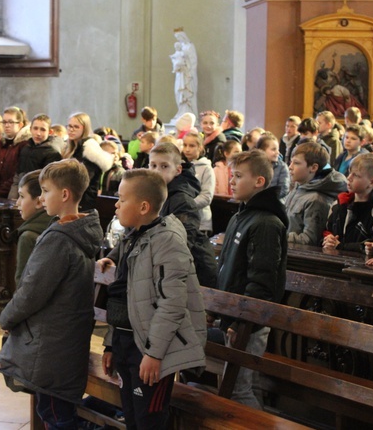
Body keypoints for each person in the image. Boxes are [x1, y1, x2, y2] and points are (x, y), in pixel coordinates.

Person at [0, 159, 102, 428]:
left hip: (52, 343)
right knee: (55, 410)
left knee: (55, 414)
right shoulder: (82, 229)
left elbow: (31, 292)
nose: (42, 197)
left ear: (64, 194)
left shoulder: (59, 239)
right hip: (65, 337)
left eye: (46, 191)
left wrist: (7, 318)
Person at [99, 169, 206, 427]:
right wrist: (111, 344)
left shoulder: (168, 241)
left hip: (152, 350)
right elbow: (122, 298)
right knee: (132, 417)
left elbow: (172, 303)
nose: (116, 204)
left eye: (122, 199)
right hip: (127, 342)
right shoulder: (132, 237)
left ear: (144, 206)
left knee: (150, 420)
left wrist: (154, 354)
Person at [214, 150, 288, 409]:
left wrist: (242, 320)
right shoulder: (240, 216)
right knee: (247, 385)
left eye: (237, 176)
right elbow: (227, 269)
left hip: (248, 321)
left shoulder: (266, 222)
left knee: (236, 390)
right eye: (231, 175)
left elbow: (262, 280)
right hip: (233, 314)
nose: (231, 181)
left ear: (259, 181)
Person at [151, 142, 219, 287]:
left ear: (178, 170)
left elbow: (182, 243)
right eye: (153, 165)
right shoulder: (154, 195)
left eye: (164, 166)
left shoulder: (182, 201)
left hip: (196, 272)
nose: (157, 171)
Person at [285, 142, 348, 246]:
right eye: (291, 162)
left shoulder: (316, 199)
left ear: (313, 168)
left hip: (299, 256)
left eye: (296, 163)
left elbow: (309, 239)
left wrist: (280, 235)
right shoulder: (298, 187)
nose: (290, 167)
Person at [322, 153, 373, 252]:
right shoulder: (339, 204)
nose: (349, 178)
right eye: (349, 172)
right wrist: (328, 239)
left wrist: (341, 246)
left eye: (356, 175)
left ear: (372, 182)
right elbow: (327, 230)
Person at [62, 112, 113, 211]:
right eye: (69, 126)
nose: (71, 130)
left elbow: (84, 179)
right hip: (71, 197)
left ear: (84, 128)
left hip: (84, 200)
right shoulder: (70, 148)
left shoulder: (89, 149)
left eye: (76, 127)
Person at [14, 170, 53, 288]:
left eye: (21, 196)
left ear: (38, 202)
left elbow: (22, 284)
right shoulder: (55, 225)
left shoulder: (28, 236)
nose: (17, 202)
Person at [0, 106, 31, 198]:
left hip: (12, 194)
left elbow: (16, 175)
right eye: (4, 122)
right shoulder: (2, 142)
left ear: (20, 125)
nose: (6, 125)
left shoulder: (24, 145)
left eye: (10, 122)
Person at [182, 131, 216, 236]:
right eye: (185, 145)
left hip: (200, 222)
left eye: (192, 146)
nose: (187, 149)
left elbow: (206, 196)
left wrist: (185, 204)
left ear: (200, 147)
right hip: (182, 220)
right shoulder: (180, 166)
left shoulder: (206, 168)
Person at [16, 113, 62, 180]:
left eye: (43, 129)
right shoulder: (25, 147)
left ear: (50, 132)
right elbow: (18, 174)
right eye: (35, 128)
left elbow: (47, 179)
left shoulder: (52, 152)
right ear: (30, 129)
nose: (38, 133)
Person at [170, 28, 199, 120]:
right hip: (180, 74)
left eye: (179, 37)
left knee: (187, 94)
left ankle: (188, 113)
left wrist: (186, 66)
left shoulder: (190, 46)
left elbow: (193, 61)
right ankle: (181, 112)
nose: (178, 39)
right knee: (178, 92)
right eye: (177, 37)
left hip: (188, 75)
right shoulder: (180, 47)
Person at [257, 134, 290, 200]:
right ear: (262, 151)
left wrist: (267, 199)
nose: (278, 152)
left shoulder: (282, 167)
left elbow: (284, 189)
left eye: (278, 149)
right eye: (273, 149)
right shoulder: (255, 165)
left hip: (275, 203)